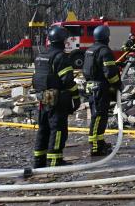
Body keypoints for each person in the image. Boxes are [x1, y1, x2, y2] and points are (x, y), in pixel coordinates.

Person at [32, 26, 81, 167]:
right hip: (57, 99)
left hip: (42, 97)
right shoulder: (61, 57)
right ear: (62, 41)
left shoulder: (41, 56)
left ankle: (39, 160)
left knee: (43, 128)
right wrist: (76, 98)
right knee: (58, 129)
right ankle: (55, 160)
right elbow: (68, 81)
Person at [83, 25, 122, 156]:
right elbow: (110, 73)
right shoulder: (105, 51)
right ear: (106, 37)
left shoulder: (90, 50)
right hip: (100, 88)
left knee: (99, 116)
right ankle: (95, 146)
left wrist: (117, 66)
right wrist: (117, 84)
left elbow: (97, 67)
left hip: (91, 86)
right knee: (99, 117)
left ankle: (99, 143)